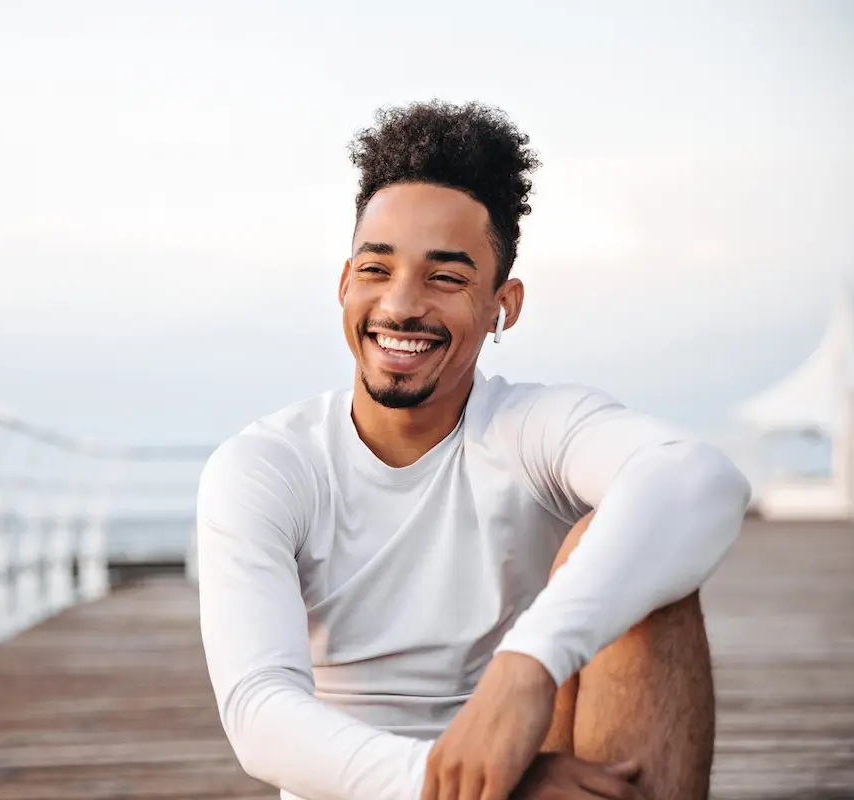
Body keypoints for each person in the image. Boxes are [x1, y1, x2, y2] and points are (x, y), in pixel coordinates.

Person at [194, 100, 751, 800]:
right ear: (344, 284)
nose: (400, 305)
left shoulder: (529, 429)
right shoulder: (270, 466)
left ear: (503, 306)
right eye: (376, 269)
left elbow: (702, 480)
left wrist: (530, 664)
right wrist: (473, 784)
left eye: (446, 277)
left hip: (547, 749)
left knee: (633, 564)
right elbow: (259, 716)